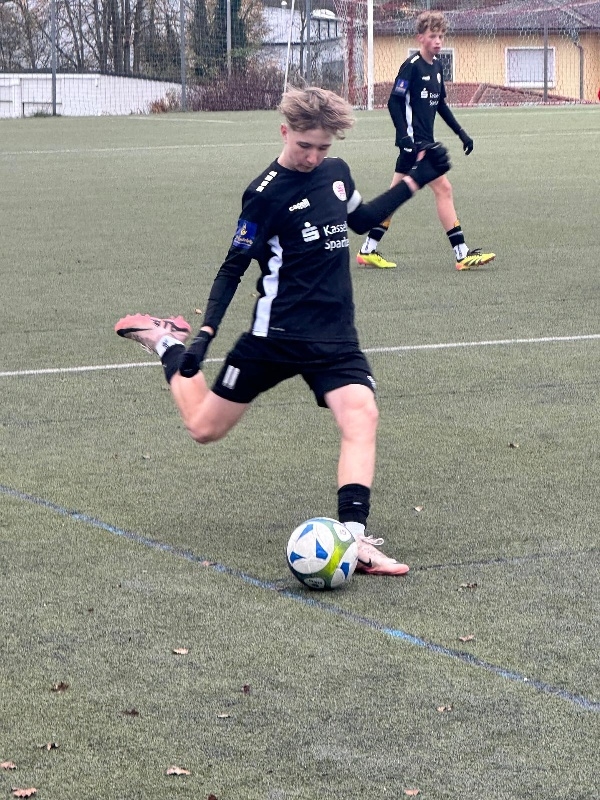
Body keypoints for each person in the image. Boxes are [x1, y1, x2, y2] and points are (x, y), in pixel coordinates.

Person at [114, 86, 450, 576]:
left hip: (334, 334)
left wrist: (415, 180)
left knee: (362, 414)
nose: (313, 157)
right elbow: (233, 267)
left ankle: (354, 540)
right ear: (284, 131)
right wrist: (204, 333)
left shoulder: (336, 173)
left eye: (322, 147)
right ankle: (166, 341)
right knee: (204, 429)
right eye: (304, 145)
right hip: (275, 336)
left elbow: (361, 221)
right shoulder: (264, 195)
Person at [357, 10, 495, 271]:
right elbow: (394, 102)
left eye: (441, 36)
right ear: (420, 37)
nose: (438, 41)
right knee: (444, 189)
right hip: (415, 145)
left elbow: (440, 104)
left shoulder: (438, 66)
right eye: (432, 36)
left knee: (395, 197)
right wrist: (403, 137)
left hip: (422, 143)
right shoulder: (411, 66)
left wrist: (461, 133)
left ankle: (367, 249)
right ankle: (462, 254)